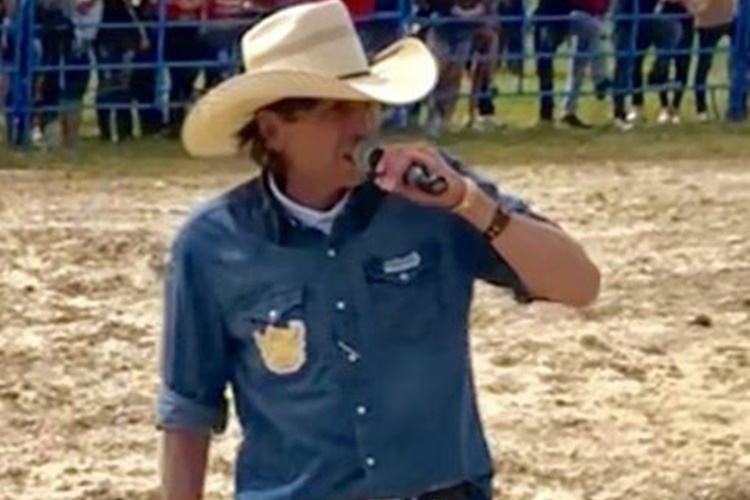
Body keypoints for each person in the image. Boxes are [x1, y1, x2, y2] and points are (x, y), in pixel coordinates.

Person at [157, 2, 601, 500]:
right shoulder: (212, 245)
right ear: (273, 130)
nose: (362, 124)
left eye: (366, 103)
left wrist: (471, 204)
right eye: (334, 109)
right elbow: (187, 409)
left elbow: (579, 285)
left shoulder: (437, 199)